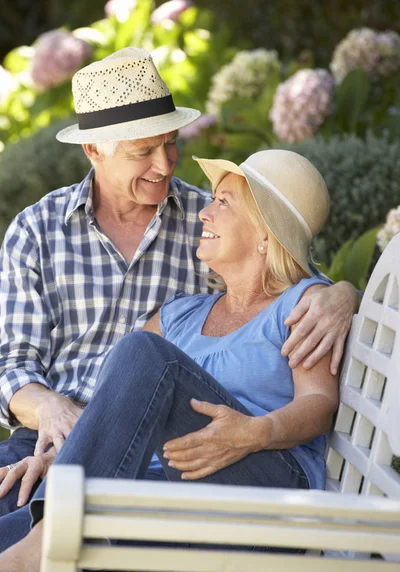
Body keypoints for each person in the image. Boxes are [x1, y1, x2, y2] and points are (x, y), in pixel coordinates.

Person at [0, 48, 358, 532]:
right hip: (59, 434)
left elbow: (282, 264)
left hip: (179, 458)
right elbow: (13, 366)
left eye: (169, 143)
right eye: (141, 151)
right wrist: (56, 419)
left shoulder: (203, 220)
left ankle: (46, 538)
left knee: (142, 357)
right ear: (94, 149)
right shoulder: (37, 230)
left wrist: (344, 293)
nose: (165, 165)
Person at [0, 148, 339, 572]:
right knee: (11, 511)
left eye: (223, 202)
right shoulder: (180, 314)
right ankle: (52, 539)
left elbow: (318, 404)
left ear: (265, 234)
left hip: (263, 494)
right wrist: (62, 460)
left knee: (143, 352)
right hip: (171, 495)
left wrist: (255, 433)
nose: (204, 212)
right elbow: (120, 407)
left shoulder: (301, 307)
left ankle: (52, 535)